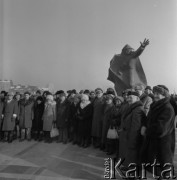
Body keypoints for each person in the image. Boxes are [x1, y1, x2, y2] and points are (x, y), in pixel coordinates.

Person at [140, 85, 175, 178]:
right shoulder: (155, 105)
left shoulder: (167, 108)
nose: (155, 95)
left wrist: (147, 130)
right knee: (156, 167)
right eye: (154, 93)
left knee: (163, 165)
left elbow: (161, 128)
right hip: (154, 141)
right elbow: (148, 119)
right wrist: (144, 125)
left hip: (162, 143)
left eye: (158, 94)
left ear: (164, 95)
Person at [119, 91, 146, 170]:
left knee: (132, 153)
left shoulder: (138, 109)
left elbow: (136, 126)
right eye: (128, 97)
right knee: (128, 153)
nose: (128, 99)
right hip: (126, 134)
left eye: (131, 97)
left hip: (132, 135)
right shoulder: (131, 106)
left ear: (137, 98)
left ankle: (133, 171)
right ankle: (128, 167)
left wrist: (133, 139)